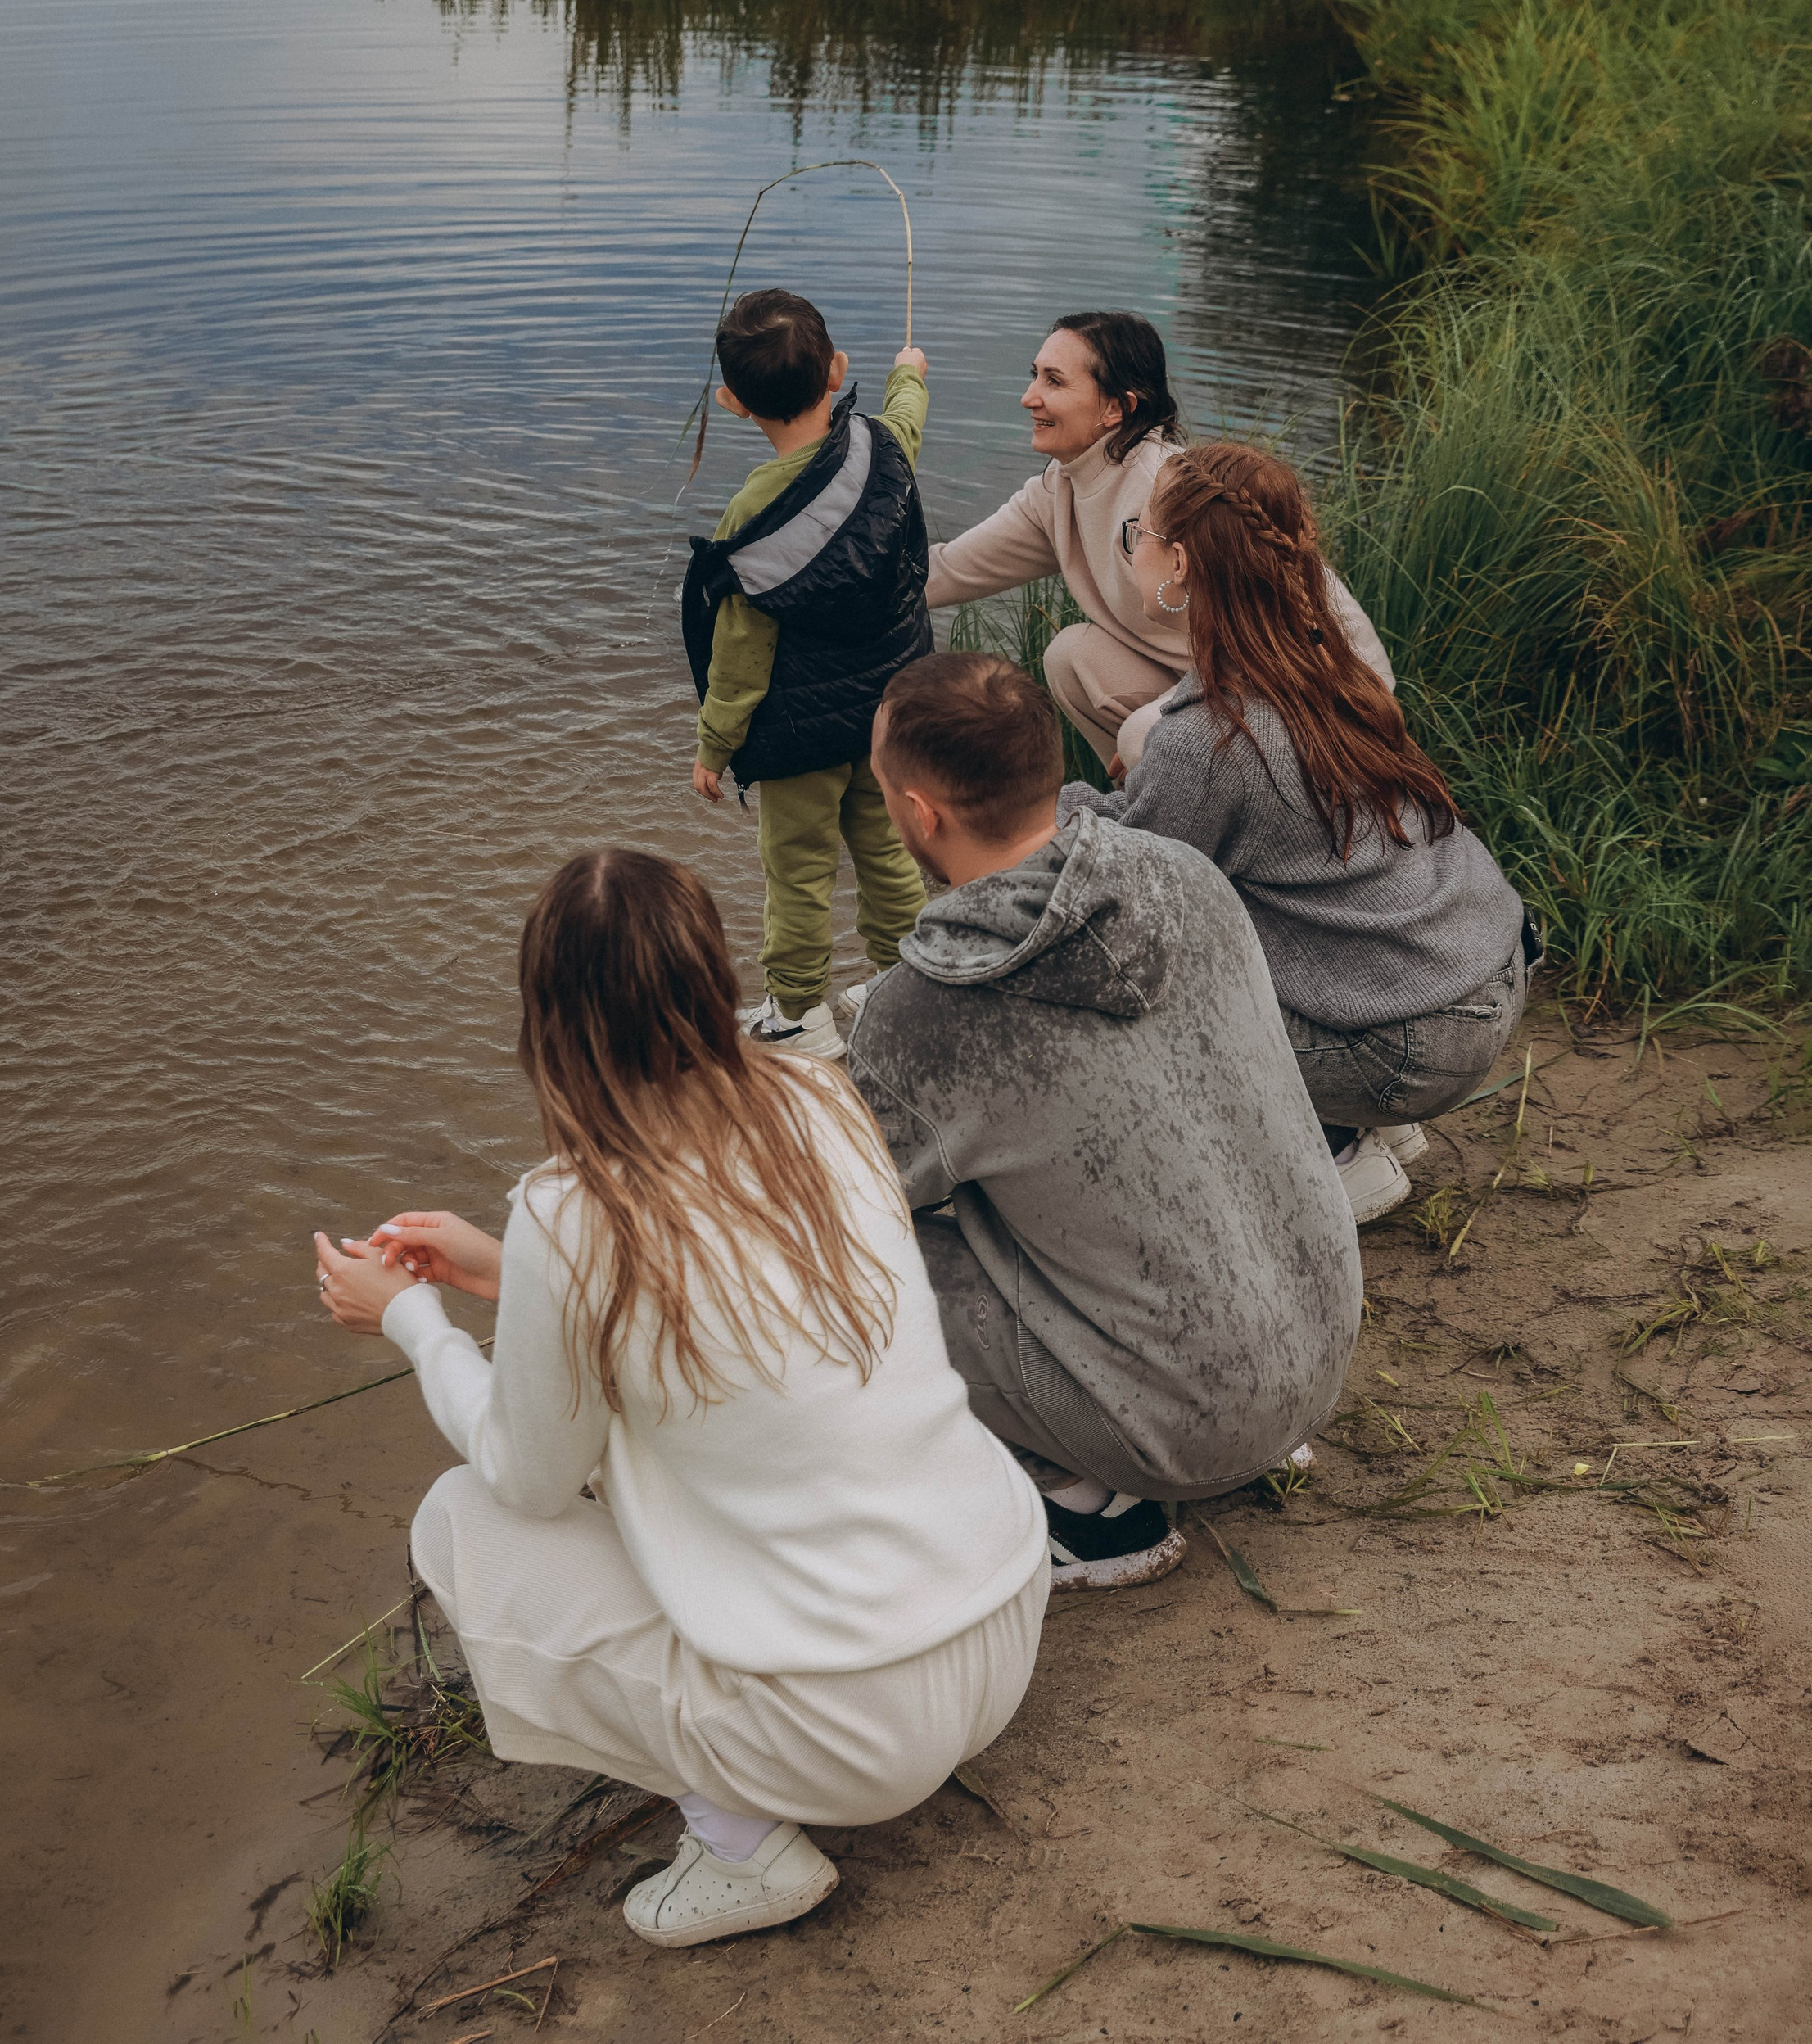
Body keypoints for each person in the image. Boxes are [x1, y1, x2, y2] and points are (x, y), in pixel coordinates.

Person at [312, 849, 1049, 1951]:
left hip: (856, 1729)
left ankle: (742, 1844)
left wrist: (415, 1322)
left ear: (549, 1017)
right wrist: (508, 1269)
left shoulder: (573, 1208)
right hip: (1001, 1616)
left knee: (466, 1518)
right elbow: (726, 1306)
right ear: (712, 975)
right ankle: (784, 1763)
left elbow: (524, 1470)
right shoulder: (817, 1096)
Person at [848, 650, 1363, 1592]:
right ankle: (1229, 1409)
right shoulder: (1183, 878)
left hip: (1183, 1429)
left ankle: (1088, 1507)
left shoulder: (922, 1012)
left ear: (918, 814)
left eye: (883, 790)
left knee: (851, 1248)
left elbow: (847, 1200)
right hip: (1320, 1349)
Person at [1077, 443, 1533, 1228]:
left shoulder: (1215, 739)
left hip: (1417, 1041)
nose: (1133, 551)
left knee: (1142, 983)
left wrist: (1039, 812)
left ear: (1180, 561)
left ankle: (1336, 1154)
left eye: (1138, 535)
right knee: (1262, 899)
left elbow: (1125, 888)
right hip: (1491, 972)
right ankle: (1369, 1116)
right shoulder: (1327, 660)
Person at [924, 311, 1393, 775]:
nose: (1029, 397)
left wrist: (1159, 725)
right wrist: (856, 581)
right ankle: (1154, 814)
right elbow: (947, 572)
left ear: (1115, 408)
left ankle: (1181, 812)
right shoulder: (1057, 489)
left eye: (1054, 381)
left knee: (1141, 735)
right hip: (1214, 677)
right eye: (1035, 376)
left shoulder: (1171, 493)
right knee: (1072, 656)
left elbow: (1270, 636)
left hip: (1315, 689)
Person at [682, 287, 933, 1062]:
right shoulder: (884, 446)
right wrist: (909, 374)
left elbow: (740, 656)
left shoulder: (749, 516)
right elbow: (908, 417)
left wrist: (713, 746)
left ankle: (800, 1014)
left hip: (797, 735)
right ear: (836, 370)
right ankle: (908, 983)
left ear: (730, 402)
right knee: (889, 851)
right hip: (889, 711)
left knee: (796, 873)